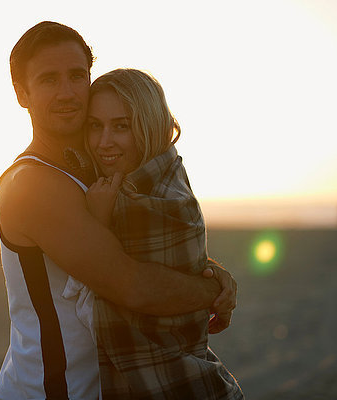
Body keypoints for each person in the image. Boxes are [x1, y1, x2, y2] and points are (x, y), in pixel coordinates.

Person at [0, 21, 238, 400]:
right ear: (21, 93)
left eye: (77, 76)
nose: (68, 92)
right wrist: (212, 288)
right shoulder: (31, 184)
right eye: (48, 80)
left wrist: (213, 270)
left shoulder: (96, 167)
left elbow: (140, 249)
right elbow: (132, 285)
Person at [83, 69, 244, 399]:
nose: (104, 142)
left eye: (121, 126)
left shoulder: (135, 200)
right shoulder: (170, 171)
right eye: (95, 125)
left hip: (169, 387)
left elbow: (125, 283)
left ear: (149, 125)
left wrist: (97, 220)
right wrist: (215, 280)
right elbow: (172, 263)